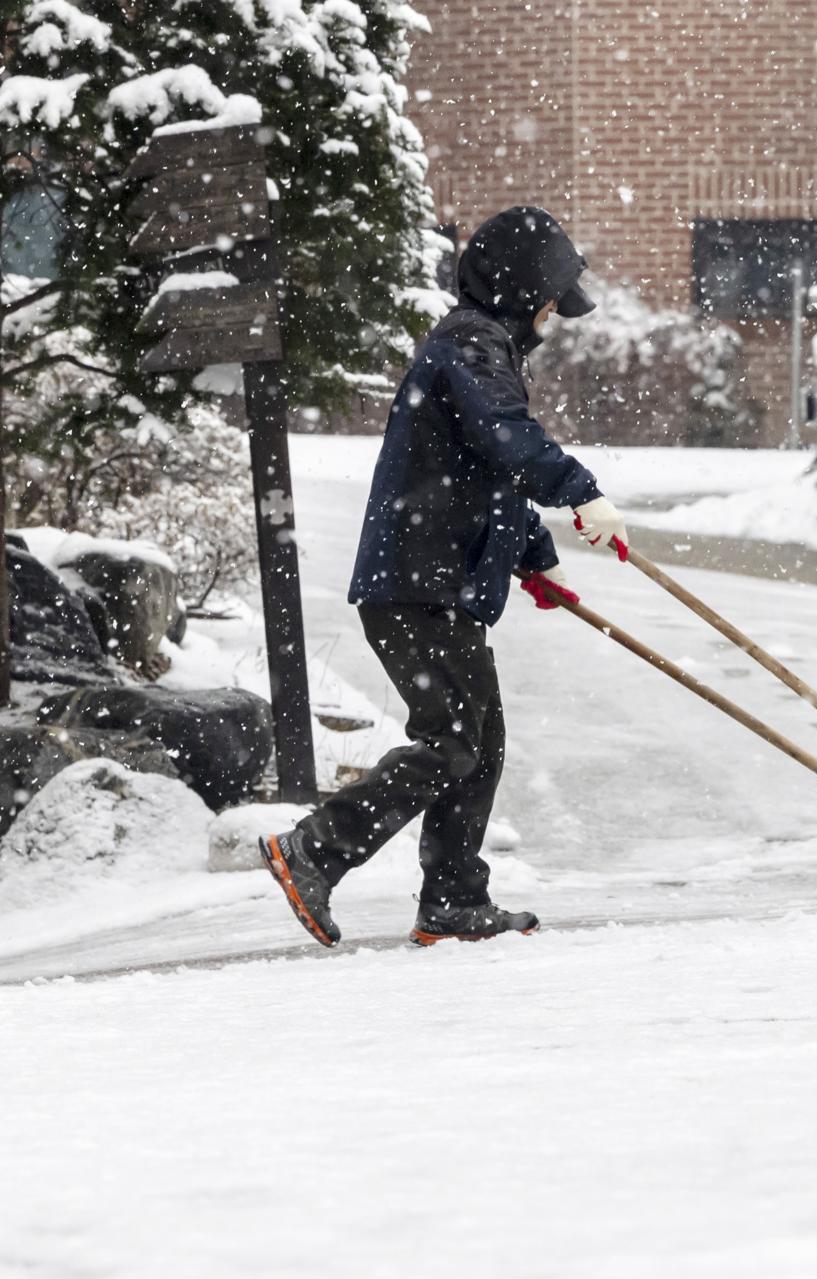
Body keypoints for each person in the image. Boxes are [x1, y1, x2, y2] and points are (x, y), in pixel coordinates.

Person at [258, 206, 628, 948]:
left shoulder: (482, 348)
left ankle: (454, 898)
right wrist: (580, 489)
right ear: (525, 292)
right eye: (552, 302)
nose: (554, 319)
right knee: (453, 739)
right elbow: (508, 438)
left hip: (439, 590)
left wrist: (535, 560)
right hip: (416, 590)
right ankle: (314, 850)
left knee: (479, 742)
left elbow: (488, 475)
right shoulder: (469, 344)